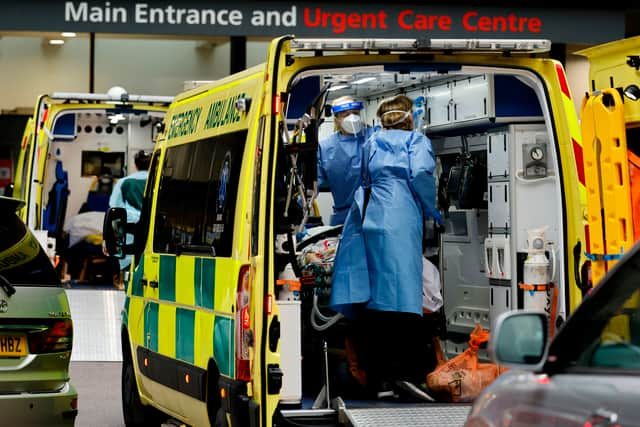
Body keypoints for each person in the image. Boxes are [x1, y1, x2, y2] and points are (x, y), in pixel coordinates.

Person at [329, 94, 442, 401]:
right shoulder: (416, 142)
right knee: (405, 296)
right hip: (402, 216)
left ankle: (378, 376)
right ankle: (405, 373)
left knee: (377, 297)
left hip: (373, 217)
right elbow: (420, 175)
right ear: (410, 119)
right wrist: (433, 209)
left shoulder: (372, 142)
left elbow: (363, 180)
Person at [318, 95, 374, 226]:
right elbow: (312, 186)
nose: (352, 118)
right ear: (336, 119)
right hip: (345, 218)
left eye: (355, 113)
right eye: (345, 114)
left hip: (375, 214)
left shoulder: (374, 137)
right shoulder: (326, 147)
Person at [109, 150, 151, 272]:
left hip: (131, 235)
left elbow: (114, 208)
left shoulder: (124, 182)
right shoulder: (158, 182)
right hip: (154, 235)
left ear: (135, 165)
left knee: (131, 271)